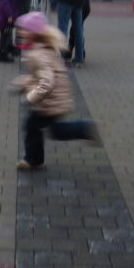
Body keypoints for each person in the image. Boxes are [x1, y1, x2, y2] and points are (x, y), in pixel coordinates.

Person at [12, 11, 100, 170]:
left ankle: (83, 128)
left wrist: (30, 97)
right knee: (42, 128)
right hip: (51, 99)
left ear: (34, 33)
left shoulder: (38, 54)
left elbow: (46, 82)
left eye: (24, 30)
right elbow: (37, 77)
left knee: (42, 128)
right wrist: (21, 83)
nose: (20, 32)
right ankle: (34, 158)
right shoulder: (40, 50)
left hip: (50, 101)